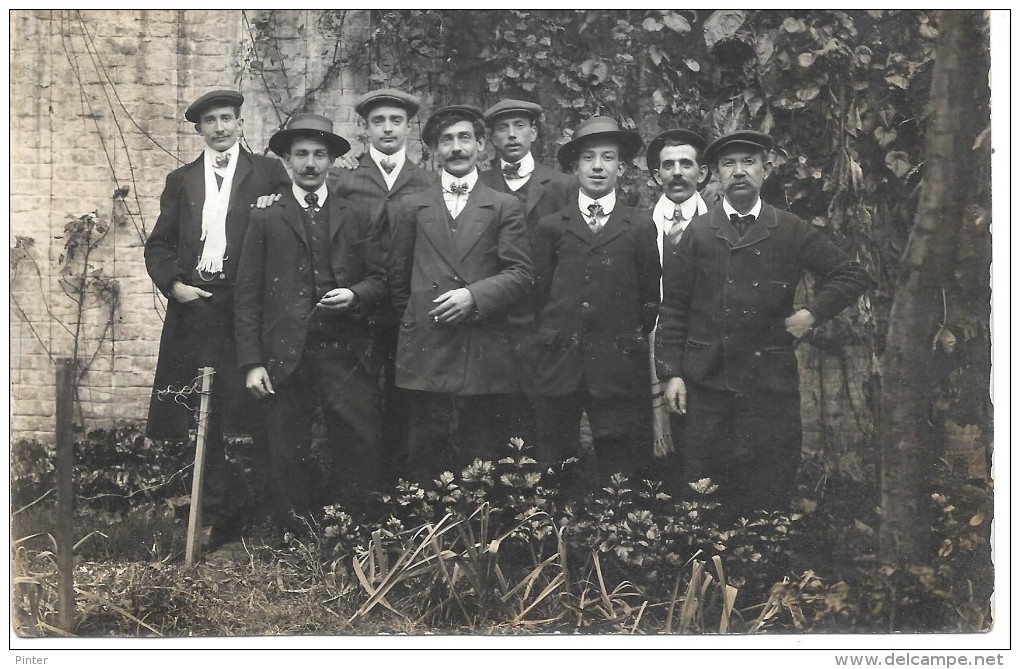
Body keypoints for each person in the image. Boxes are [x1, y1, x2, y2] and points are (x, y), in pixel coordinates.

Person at [655, 130, 868, 518]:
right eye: (729, 164)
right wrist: (672, 374)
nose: (739, 172)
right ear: (715, 174)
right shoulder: (697, 233)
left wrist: (811, 314)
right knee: (703, 489)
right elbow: (673, 309)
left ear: (765, 170)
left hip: (768, 382)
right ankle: (706, 571)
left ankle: (763, 571)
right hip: (707, 384)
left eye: (748, 162)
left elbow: (850, 274)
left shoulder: (788, 228)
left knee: (768, 485)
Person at [144, 89, 289, 546]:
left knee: (259, 408)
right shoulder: (182, 179)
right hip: (198, 308)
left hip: (247, 309)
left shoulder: (268, 172)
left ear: (241, 123)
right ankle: (211, 513)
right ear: (199, 129)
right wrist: (175, 286)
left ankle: (265, 515)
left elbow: (290, 225)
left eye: (228, 118)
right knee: (203, 415)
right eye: (211, 121)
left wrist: (275, 206)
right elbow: (160, 244)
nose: (221, 128)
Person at [233, 113, 386, 525]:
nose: (311, 164)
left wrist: (354, 294)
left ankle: (349, 530)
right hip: (285, 353)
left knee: (357, 439)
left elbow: (379, 280)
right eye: (301, 154)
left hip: (342, 349)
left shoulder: (354, 215)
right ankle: (293, 536)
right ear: (286, 160)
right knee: (286, 445)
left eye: (320, 154)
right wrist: (252, 363)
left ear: (332, 161)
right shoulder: (266, 215)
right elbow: (247, 295)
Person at [387, 104, 534, 480]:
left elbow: (520, 273)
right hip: (427, 347)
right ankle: (423, 534)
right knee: (426, 449)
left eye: (465, 138)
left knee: (480, 453)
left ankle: (480, 534)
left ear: (482, 145)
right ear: (434, 151)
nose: (456, 148)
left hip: (481, 344)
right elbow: (399, 281)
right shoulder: (411, 207)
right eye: (446, 140)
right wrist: (422, 318)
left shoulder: (504, 206)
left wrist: (474, 297)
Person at [530, 116, 660, 480]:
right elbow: (540, 294)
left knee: (622, 460)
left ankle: (619, 532)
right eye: (589, 158)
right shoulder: (552, 226)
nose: (598, 167)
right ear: (575, 167)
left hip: (617, 364)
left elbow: (649, 299)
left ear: (621, 168)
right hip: (561, 361)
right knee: (555, 460)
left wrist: (622, 337)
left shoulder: (639, 226)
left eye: (607, 158)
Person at [333, 88, 435, 485]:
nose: (388, 128)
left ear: (409, 128)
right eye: (379, 121)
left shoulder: (427, 182)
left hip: (410, 309)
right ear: (365, 130)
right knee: (356, 401)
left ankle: (402, 492)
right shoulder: (344, 182)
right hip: (359, 308)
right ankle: (359, 495)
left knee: (406, 400)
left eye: (396, 121)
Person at [646, 129, 710, 479]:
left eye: (686, 164)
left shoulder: (718, 223)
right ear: (658, 176)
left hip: (702, 346)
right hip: (655, 344)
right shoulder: (642, 226)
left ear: (701, 173)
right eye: (668, 165)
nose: (677, 173)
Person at [479, 99, 574, 236]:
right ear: (493, 138)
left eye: (519, 125)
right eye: (503, 127)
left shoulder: (563, 185)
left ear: (533, 133)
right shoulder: (480, 185)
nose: (512, 134)